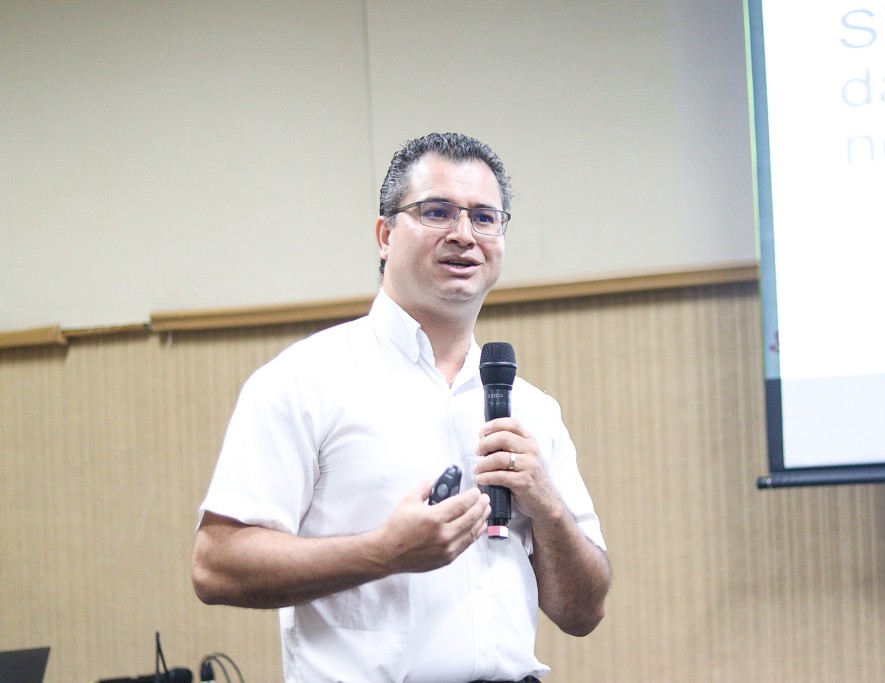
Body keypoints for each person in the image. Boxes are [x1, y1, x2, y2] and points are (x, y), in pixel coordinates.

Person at [191, 132, 611, 682]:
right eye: (438, 211)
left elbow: (584, 613)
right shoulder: (304, 382)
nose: (464, 234)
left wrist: (548, 508)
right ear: (385, 236)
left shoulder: (531, 409)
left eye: (485, 217)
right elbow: (215, 566)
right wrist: (384, 552)